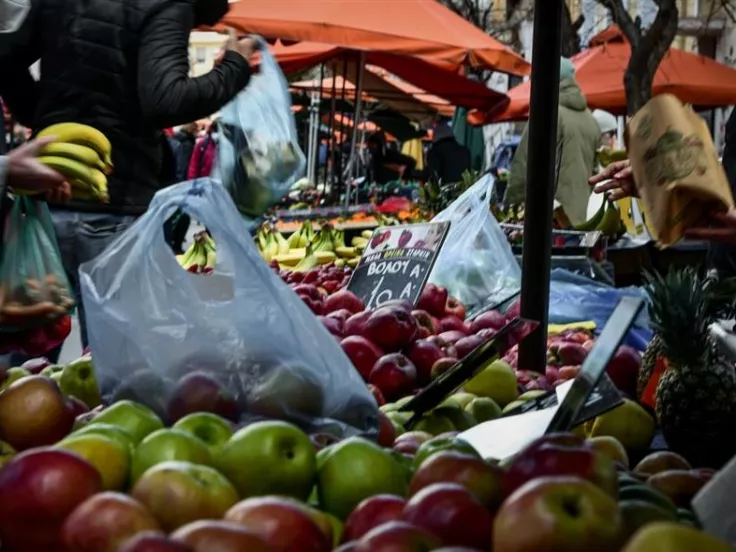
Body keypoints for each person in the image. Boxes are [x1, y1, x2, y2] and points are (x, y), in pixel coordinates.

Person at [0, 0, 258, 349]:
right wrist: (235, 66)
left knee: (22, 353)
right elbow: (166, 100)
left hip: (46, 199)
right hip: (114, 206)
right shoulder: (166, 4)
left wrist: (43, 113)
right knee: (117, 360)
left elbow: (6, 57)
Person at [506, 58, 601, 226]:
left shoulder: (548, 112)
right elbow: (594, 172)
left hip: (550, 220)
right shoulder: (591, 120)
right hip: (581, 218)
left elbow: (525, 162)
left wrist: (509, 208)